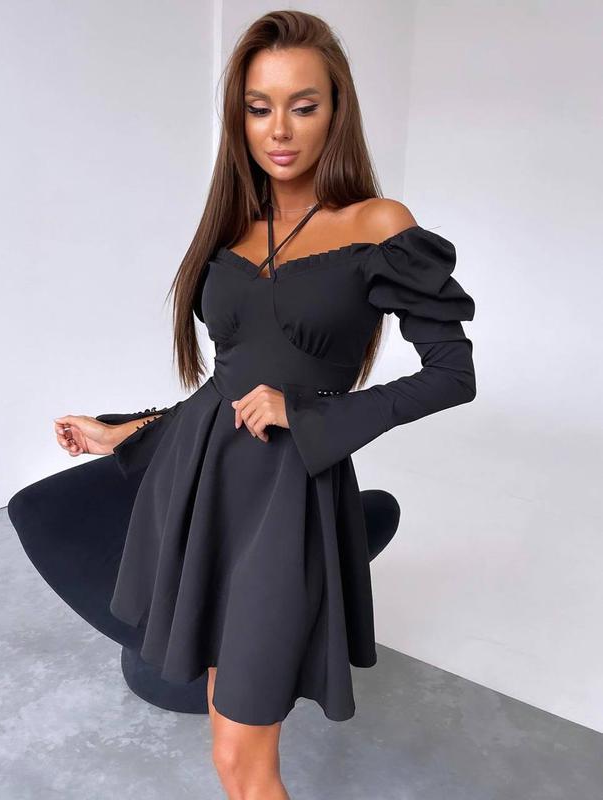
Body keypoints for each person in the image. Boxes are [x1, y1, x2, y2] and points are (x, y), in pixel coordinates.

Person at [51, 10, 476, 799]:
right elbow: (226, 391)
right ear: (239, 115)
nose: (279, 129)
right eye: (259, 107)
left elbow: (453, 373)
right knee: (231, 753)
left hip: (286, 512)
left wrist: (307, 416)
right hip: (204, 499)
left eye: (303, 105)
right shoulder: (235, 229)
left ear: (337, 110)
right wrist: (122, 431)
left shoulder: (377, 225)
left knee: (244, 762)